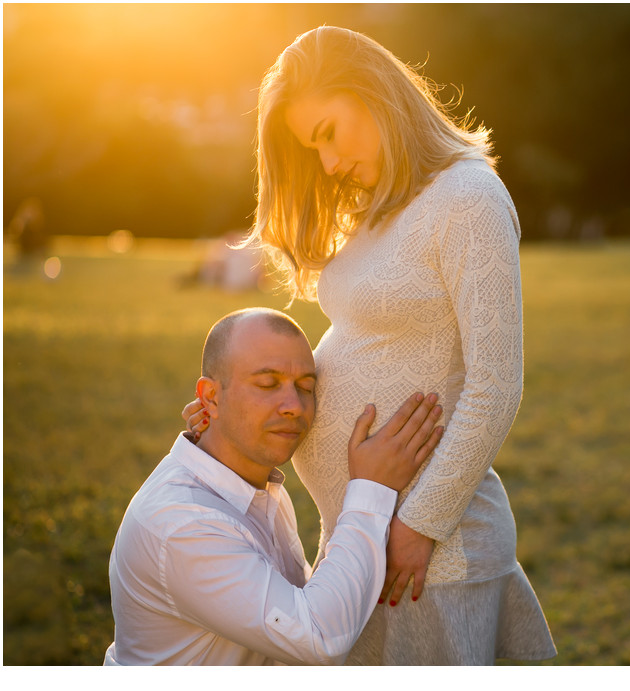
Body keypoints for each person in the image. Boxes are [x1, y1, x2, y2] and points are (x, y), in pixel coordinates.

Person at [185, 26, 556, 664]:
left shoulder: (467, 198)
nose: (326, 163)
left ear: (374, 94)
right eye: (312, 147)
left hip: (437, 556)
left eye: (327, 132)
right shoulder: (380, 208)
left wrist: (418, 527)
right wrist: (235, 428)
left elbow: (496, 387)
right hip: (364, 547)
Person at [106, 307, 445, 665]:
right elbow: (318, 637)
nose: (294, 407)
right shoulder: (183, 526)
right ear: (210, 397)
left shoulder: (258, 487)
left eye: (306, 388)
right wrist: (372, 487)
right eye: (267, 384)